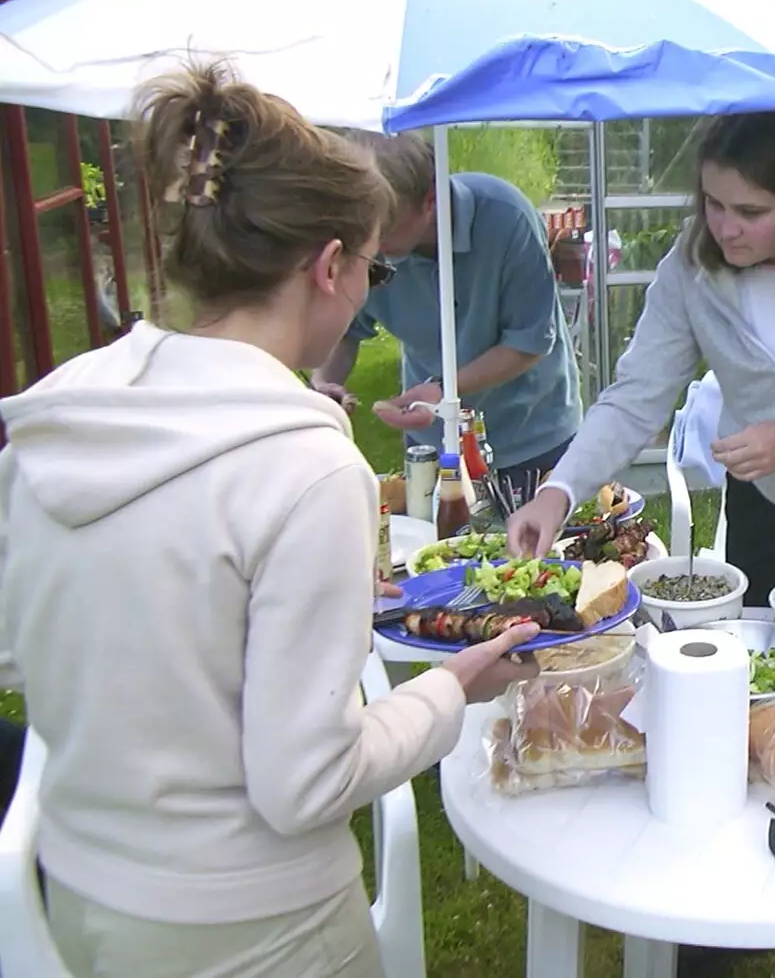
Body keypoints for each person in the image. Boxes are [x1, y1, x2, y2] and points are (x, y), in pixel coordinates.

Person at [0, 62, 538, 978]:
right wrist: (451, 687)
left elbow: (25, 647)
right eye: (372, 266)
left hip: (80, 900)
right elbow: (306, 780)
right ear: (329, 266)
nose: (371, 289)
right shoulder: (307, 467)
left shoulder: (59, 415)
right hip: (262, 926)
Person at [507, 110, 775, 610]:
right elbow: (636, 397)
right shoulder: (690, 266)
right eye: (713, 204)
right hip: (767, 509)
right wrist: (559, 492)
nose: (725, 229)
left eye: (751, 212)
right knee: (768, 674)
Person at [313, 130, 582, 498]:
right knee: (436, 549)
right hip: (433, 441)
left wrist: (441, 391)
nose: (371, 241)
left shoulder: (507, 219)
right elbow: (347, 329)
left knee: (534, 551)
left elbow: (528, 342)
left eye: (385, 226)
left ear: (430, 201)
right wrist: (325, 384)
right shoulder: (364, 241)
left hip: (531, 437)